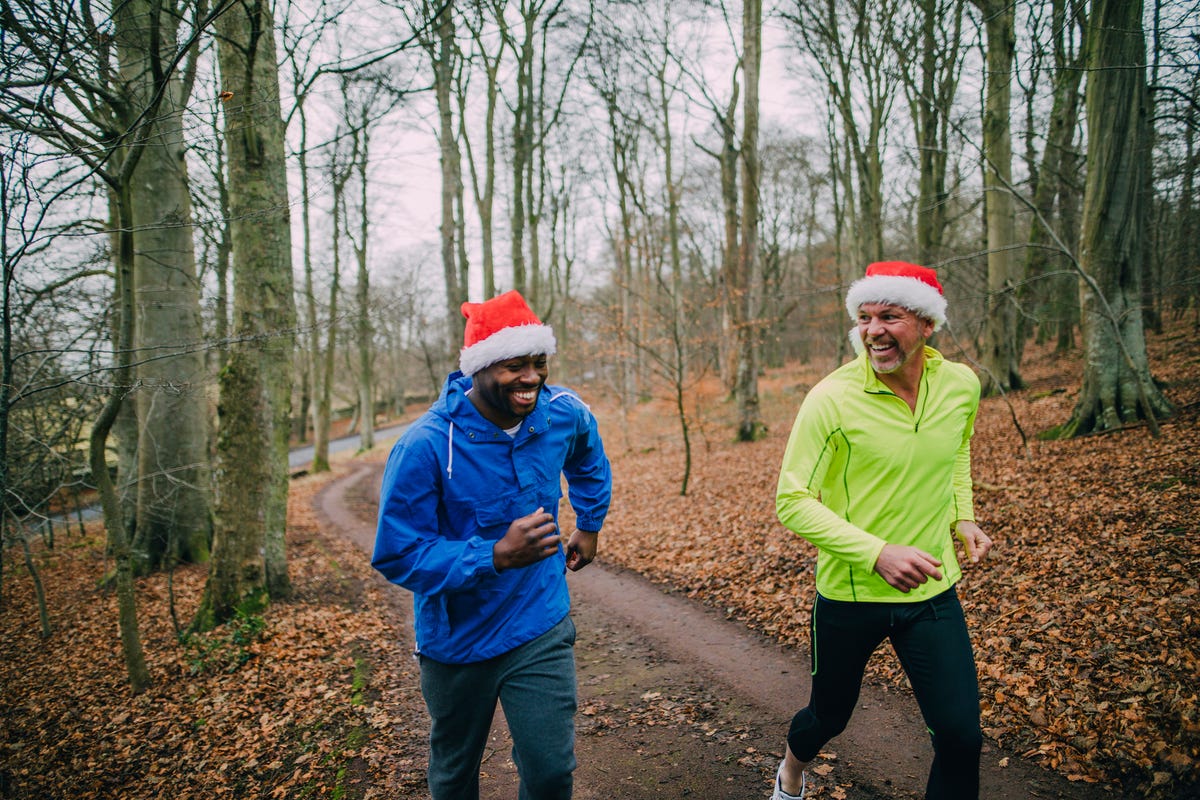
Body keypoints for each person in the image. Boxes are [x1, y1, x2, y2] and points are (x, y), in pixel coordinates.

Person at [373, 290, 612, 800]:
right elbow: (398, 552)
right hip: (456, 643)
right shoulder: (426, 446)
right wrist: (494, 555)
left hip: (539, 622)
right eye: (514, 366)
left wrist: (589, 524)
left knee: (550, 773)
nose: (532, 378)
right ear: (479, 368)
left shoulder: (561, 412)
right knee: (455, 775)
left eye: (538, 363)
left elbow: (588, 454)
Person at [771, 261, 993, 800]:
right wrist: (876, 553)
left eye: (889, 316)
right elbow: (791, 500)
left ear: (926, 325)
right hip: (850, 593)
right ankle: (791, 772)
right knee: (829, 717)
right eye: (864, 317)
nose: (873, 331)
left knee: (962, 737)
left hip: (932, 589)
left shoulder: (961, 385)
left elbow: (956, 450)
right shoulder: (832, 398)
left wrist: (962, 513)